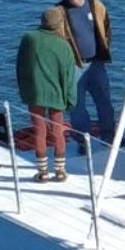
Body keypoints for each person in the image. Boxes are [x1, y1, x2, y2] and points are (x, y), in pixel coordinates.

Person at [49, 0, 116, 146]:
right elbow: (52, 39)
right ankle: (82, 140)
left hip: (96, 63)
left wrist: (104, 50)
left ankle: (108, 135)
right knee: (76, 106)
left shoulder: (96, 5)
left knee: (104, 100)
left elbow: (107, 28)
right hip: (74, 66)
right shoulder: (59, 11)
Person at [16, 10, 80, 181]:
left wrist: (24, 90)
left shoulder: (29, 38)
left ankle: (42, 172)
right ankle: (60, 171)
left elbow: (21, 67)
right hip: (56, 94)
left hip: (35, 93)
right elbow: (68, 76)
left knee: (39, 131)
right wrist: (70, 98)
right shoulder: (63, 45)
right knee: (58, 132)